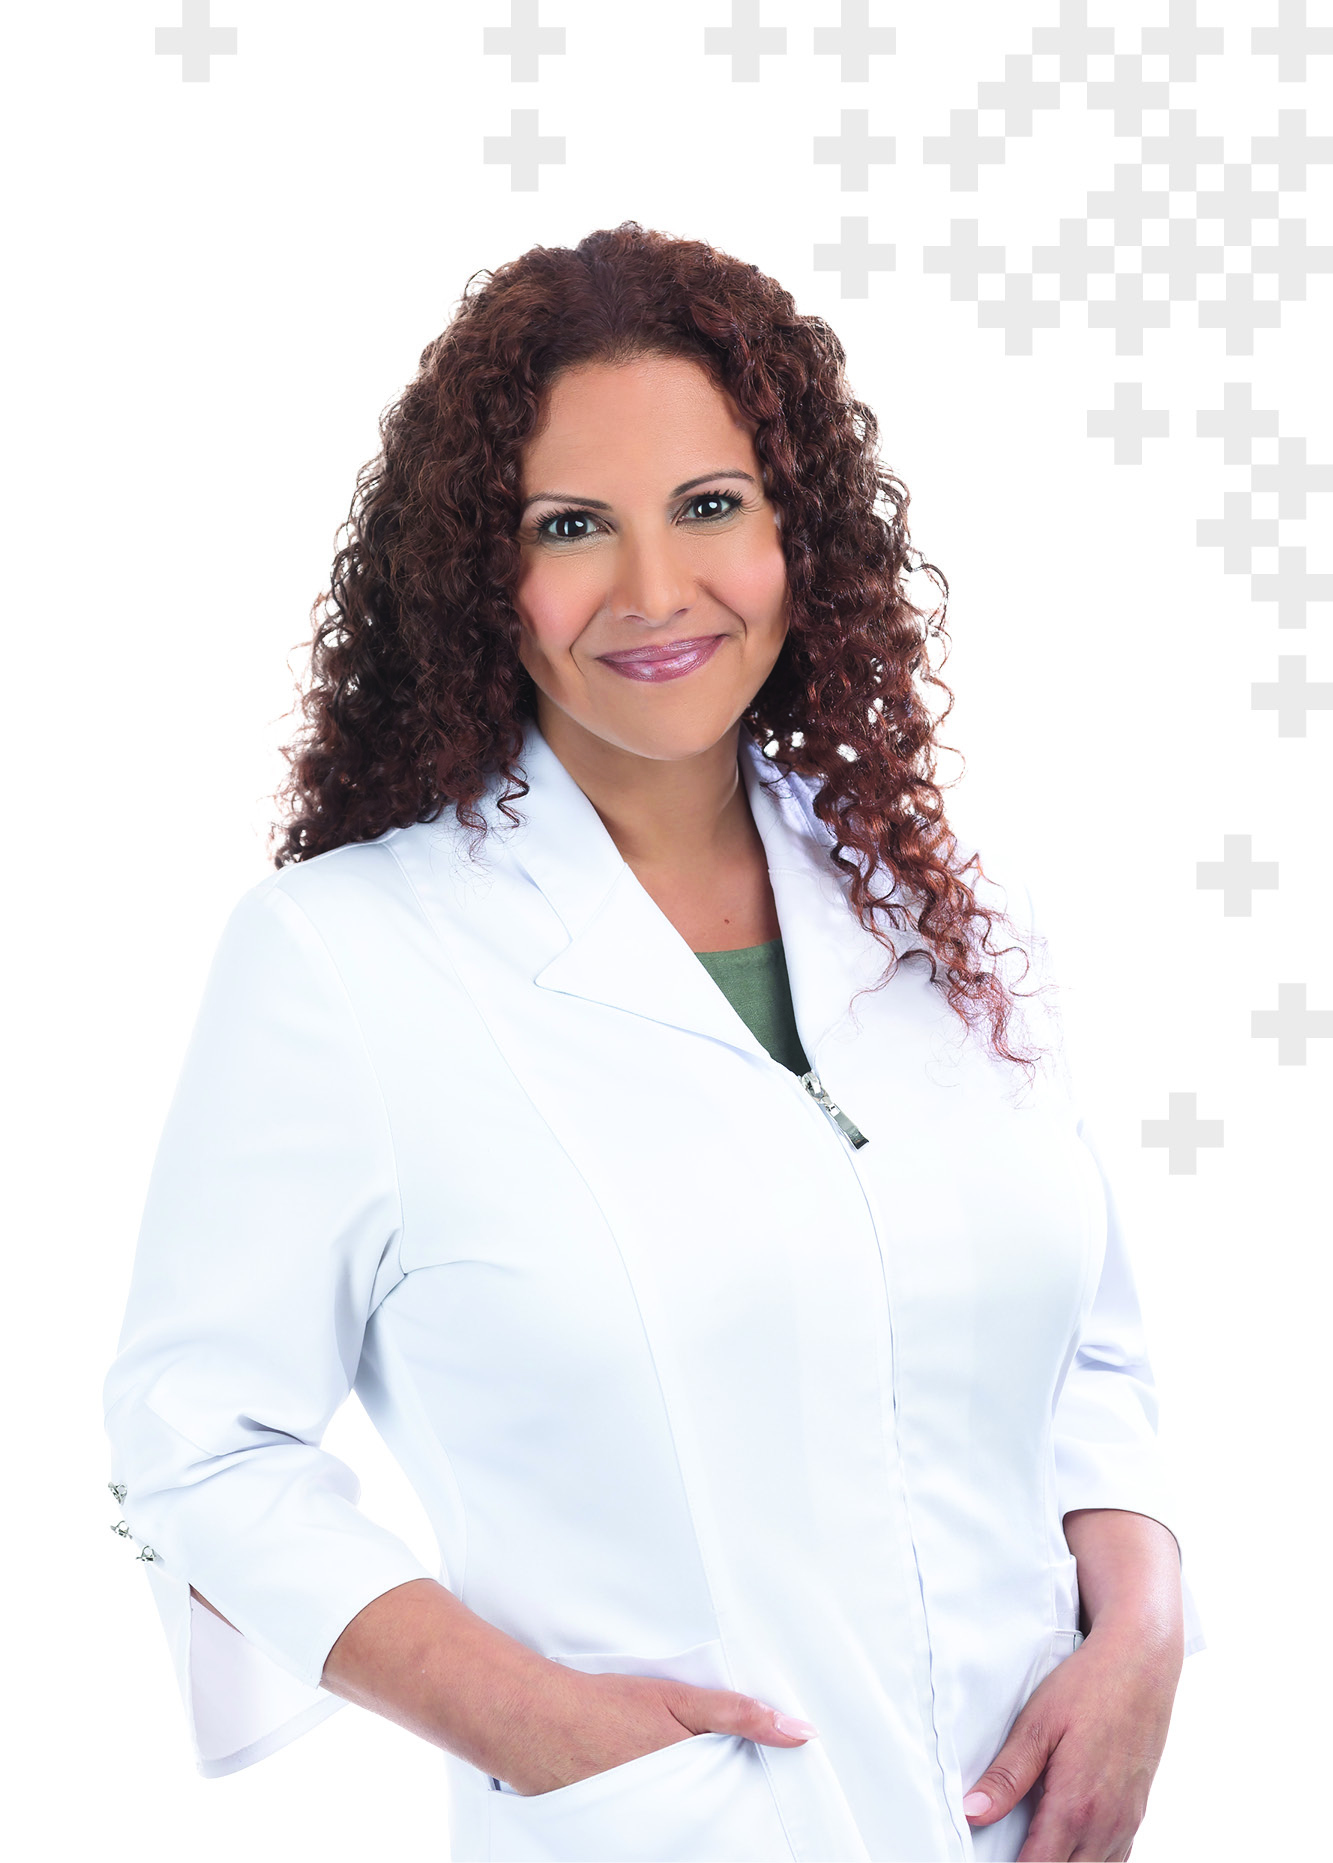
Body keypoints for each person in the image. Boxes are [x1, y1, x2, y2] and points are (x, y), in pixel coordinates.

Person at [103, 221, 1204, 1863]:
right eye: (570, 526)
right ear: (480, 576)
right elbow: (197, 1445)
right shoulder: (346, 960)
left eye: (709, 505)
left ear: (796, 530)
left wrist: (1146, 1621)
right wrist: (529, 1724)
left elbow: (1086, 1349)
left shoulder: (944, 906)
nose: (654, 591)